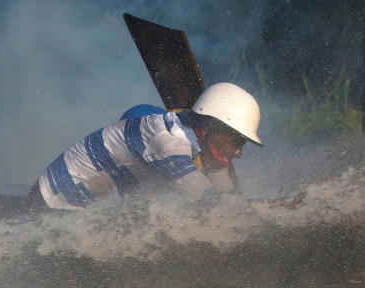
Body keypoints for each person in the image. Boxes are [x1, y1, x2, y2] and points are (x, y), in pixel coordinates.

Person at [30, 82, 261, 210]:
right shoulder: (170, 140)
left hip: (69, 203)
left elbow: (214, 186)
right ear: (212, 125)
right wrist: (269, 210)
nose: (238, 152)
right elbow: (205, 197)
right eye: (237, 141)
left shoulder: (177, 127)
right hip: (54, 205)